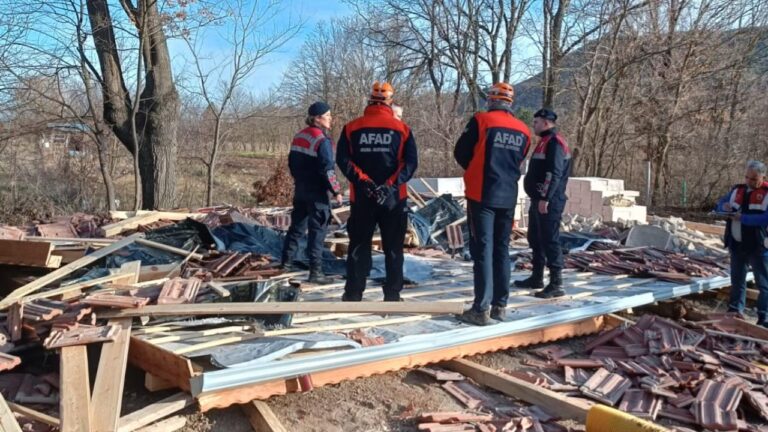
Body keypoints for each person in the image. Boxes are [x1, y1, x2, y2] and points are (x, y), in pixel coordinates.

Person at [453, 82, 531, 325]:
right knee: (502, 249)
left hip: (482, 194)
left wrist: (475, 168)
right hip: (508, 195)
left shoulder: (481, 121)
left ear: (491, 100)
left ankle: (481, 308)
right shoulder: (524, 130)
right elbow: (519, 160)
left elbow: (460, 152)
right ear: (510, 103)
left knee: (483, 251)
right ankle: (500, 306)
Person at [336, 82, 418, 301]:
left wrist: (365, 182)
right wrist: (389, 185)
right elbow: (410, 164)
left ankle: (353, 294)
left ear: (370, 100)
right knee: (393, 249)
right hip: (393, 200)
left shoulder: (351, 128)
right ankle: (392, 295)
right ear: (390, 102)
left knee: (359, 247)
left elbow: (343, 161)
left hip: (363, 198)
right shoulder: (402, 130)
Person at [281, 102, 343, 284]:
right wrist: (336, 190)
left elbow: (291, 163)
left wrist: (299, 180)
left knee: (296, 228)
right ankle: (316, 272)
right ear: (317, 118)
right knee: (318, 231)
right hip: (317, 193)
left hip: (300, 189)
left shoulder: (299, 136)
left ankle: (286, 263)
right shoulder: (322, 140)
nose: (331, 118)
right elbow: (328, 169)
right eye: (328, 115)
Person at [514, 108, 571, 298]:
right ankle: (537, 276)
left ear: (546, 122)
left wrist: (545, 198)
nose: (534, 125)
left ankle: (557, 283)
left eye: (536, 122)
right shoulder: (544, 142)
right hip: (538, 198)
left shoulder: (555, 143)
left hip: (549, 201)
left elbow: (553, 173)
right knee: (535, 239)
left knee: (550, 240)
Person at [717, 160, 768, 326]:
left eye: (753, 179)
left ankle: (764, 318)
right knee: (737, 281)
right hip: (737, 244)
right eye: (747, 177)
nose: (749, 182)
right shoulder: (736, 190)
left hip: (758, 247)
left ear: (763, 177)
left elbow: (765, 218)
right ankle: (735, 312)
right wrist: (722, 207)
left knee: (764, 285)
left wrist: (743, 218)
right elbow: (719, 204)